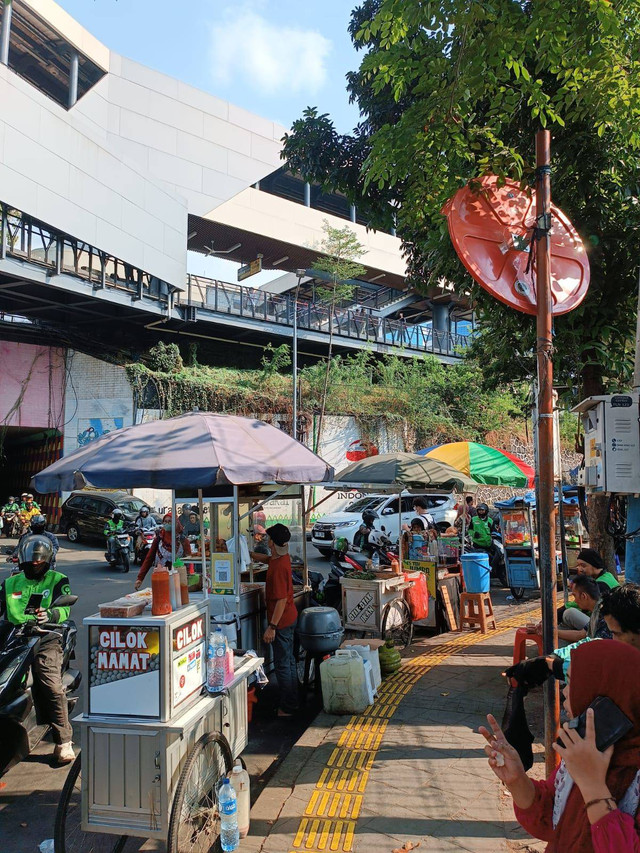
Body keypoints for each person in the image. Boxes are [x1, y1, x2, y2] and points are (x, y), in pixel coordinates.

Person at [482, 640, 640, 851]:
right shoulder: (584, 751)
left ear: (608, 698)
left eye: (573, 681)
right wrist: (517, 779)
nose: (565, 691)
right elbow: (550, 818)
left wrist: (593, 788)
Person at [0, 535, 75, 764]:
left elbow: (64, 610)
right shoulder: (10, 583)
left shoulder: (58, 579)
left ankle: (64, 741)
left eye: (39, 562)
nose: (35, 565)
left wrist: (50, 614)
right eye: (31, 562)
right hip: (14, 637)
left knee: (50, 683)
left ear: (48, 560)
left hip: (46, 637)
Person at [249, 523, 298, 717]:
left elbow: (281, 600)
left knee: (283, 664)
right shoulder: (281, 558)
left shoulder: (278, 568)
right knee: (290, 661)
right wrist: (250, 556)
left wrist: (272, 627)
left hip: (282, 621)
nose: (266, 541)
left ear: (272, 541)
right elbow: (269, 559)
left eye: (268, 538)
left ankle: (288, 707)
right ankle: (293, 700)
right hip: (290, 617)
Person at [134, 512, 191, 590]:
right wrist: (140, 578)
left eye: (169, 521)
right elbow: (149, 558)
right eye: (165, 522)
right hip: (161, 578)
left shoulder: (183, 540)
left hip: (179, 580)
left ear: (176, 523)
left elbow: (189, 561)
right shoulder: (159, 538)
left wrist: (187, 578)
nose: (167, 524)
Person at [556, 575, 612, 644]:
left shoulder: (603, 615)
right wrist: (554, 632)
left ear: (583, 596)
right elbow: (582, 634)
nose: (575, 601)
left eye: (575, 596)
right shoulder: (597, 609)